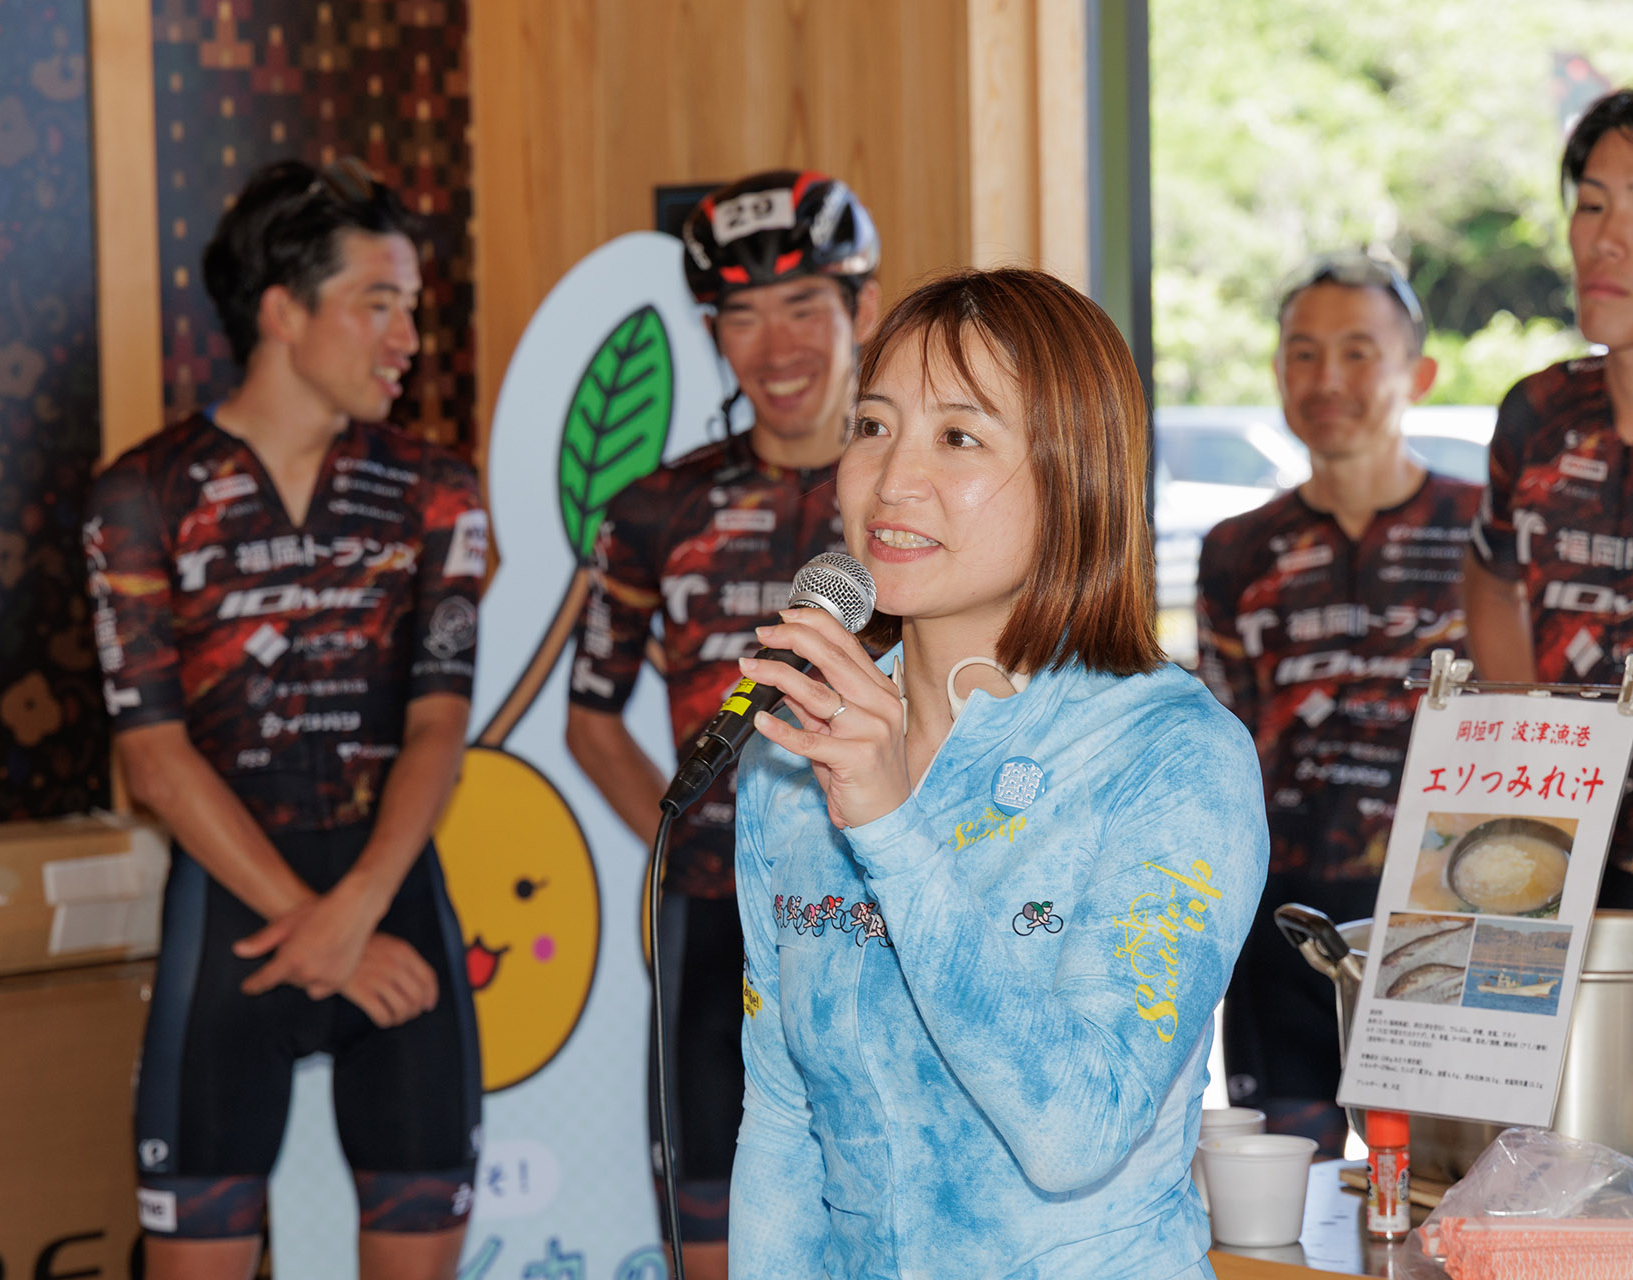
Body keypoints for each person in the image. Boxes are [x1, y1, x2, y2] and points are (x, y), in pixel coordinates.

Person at [729, 268, 1268, 1278]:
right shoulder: (795, 753)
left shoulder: (1171, 755)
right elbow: (783, 1118)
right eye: (873, 426)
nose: (893, 480)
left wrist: (891, 827)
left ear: (1074, 476)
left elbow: (1077, 1132)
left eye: (959, 437)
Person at [84, 157, 487, 1280]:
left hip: (394, 908)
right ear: (282, 310)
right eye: (379, 302)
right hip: (234, 923)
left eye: (413, 306)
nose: (408, 336)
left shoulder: (437, 488)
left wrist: (351, 911)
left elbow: (438, 729)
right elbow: (154, 759)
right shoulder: (142, 492)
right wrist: (315, 925)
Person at [564, 170, 881, 1274]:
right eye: (740, 316)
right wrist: (695, 837)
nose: (775, 345)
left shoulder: (910, 499)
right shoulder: (654, 507)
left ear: (861, 309)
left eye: (802, 307)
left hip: (884, 903)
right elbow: (592, 719)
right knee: (711, 1214)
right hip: (711, 920)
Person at [1195, 252, 1483, 1153]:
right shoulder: (1237, 548)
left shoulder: (1484, 533)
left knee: (1443, 1180)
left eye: (1358, 353)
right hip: (1282, 922)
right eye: (1303, 353)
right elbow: (1222, 736)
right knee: (1285, 1181)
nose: (1327, 380)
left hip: (1446, 922)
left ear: (1418, 375)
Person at [1464, 88, 1633, 911]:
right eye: (1591, 205)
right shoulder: (1538, 413)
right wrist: (1528, 744)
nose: (1606, 238)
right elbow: (1492, 578)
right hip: (1566, 857)